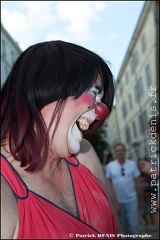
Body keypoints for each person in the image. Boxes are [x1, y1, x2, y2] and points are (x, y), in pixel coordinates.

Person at [1, 40, 121, 239]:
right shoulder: (4, 194)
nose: (102, 111)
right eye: (93, 93)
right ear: (47, 86)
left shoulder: (85, 155)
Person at [105, 143, 145, 235]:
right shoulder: (110, 166)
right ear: (115, 153)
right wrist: (113, 201)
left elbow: (138, 183)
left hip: (132, 200)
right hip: (118, 202)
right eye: (118, 150)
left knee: (134, 227)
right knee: (122, 228)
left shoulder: (132, 164)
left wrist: (142, 200)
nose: (120, 152)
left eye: (122, 150)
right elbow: (108, 184)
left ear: (125, 151)